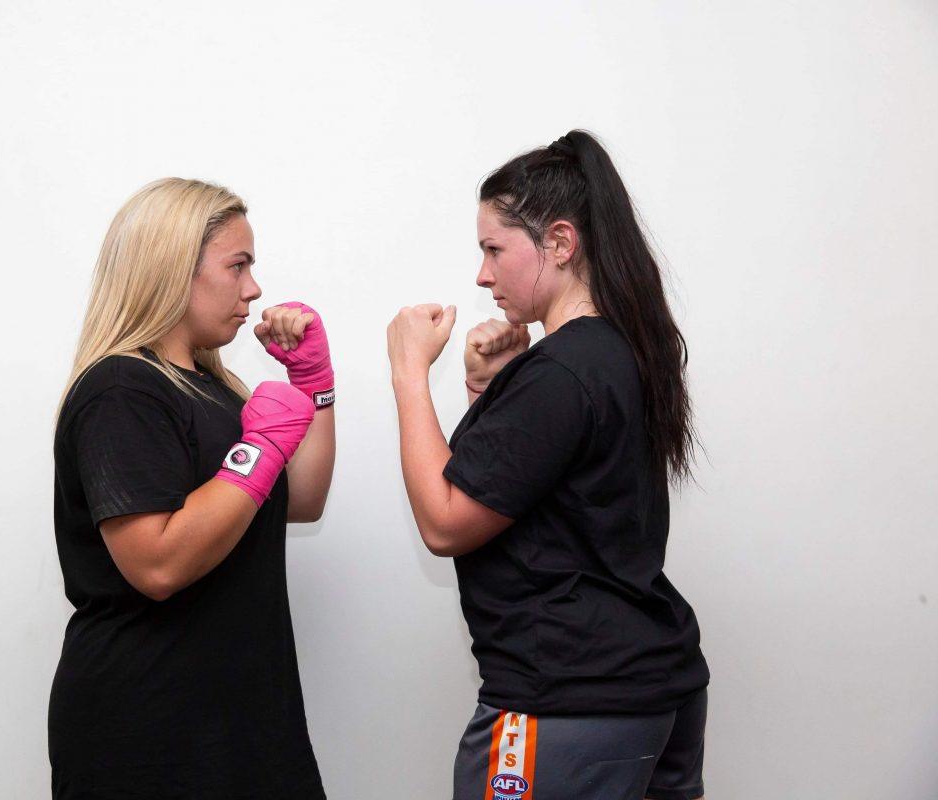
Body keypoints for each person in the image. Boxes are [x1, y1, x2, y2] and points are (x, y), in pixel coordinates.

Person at [386, 130, 709, 800]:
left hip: (569, 700)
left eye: (494, 249)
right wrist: (488, 389)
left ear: (560, 243)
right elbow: (541, 490)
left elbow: (446, 523)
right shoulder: (619, 350)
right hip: (651, 692)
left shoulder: (561, 371)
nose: (482, 274)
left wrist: (409, 373)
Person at [49, 178, 335, 799]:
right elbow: (157, 562)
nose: (254, 288)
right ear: (173, 268)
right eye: (238, 266)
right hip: (150, 731)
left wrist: (313, 384)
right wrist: (257, 450)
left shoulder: (216, 386)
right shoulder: (121, 389)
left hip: (244, 716)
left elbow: (303, 499)